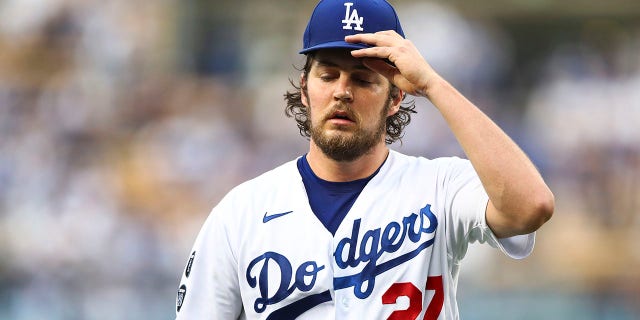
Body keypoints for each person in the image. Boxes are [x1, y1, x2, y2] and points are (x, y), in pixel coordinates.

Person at [174, 0, 554, 319]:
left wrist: (433, 85)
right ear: (304, 90)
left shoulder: (440, 187)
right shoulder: (241, 212)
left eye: (362, 79)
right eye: (328, 74)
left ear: (396, 98)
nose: (342, 92)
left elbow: (530, 206)